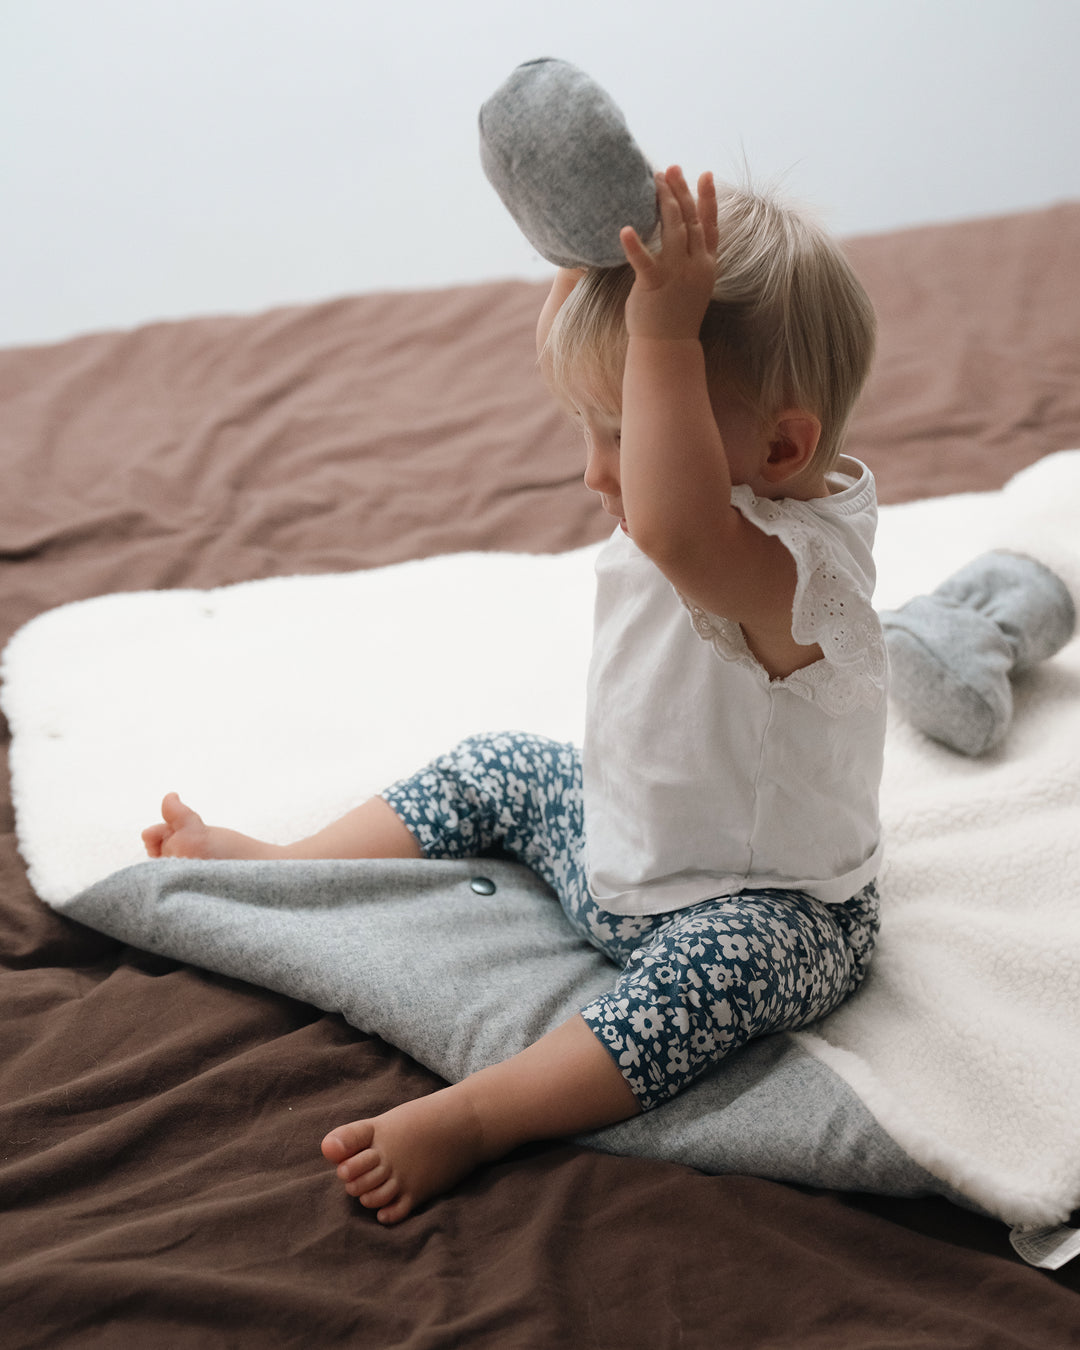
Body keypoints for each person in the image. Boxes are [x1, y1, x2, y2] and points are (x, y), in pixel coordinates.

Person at [142, 166, 886, 1225]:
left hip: (768, 908)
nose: (593, 474)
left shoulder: (792, 570)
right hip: (625, 854)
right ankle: (285, 868)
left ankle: (484, 1115)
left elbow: (681, 524)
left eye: (621, 432)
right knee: (503, 762)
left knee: (720, 975)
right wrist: (597, 277)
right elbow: (662, 494)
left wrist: (668, 337)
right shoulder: (698, 498)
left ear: (779, 447)